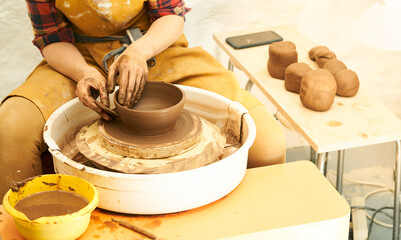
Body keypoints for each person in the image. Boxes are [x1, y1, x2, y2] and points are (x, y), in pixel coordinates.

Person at [0, 0, 285, 198]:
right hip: (77, 56)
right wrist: (82, 72)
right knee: (12, 125)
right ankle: (30, 223)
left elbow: (170, 15)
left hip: (153, 46)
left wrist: (138, 52)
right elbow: (51, 38)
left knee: (267, 142)